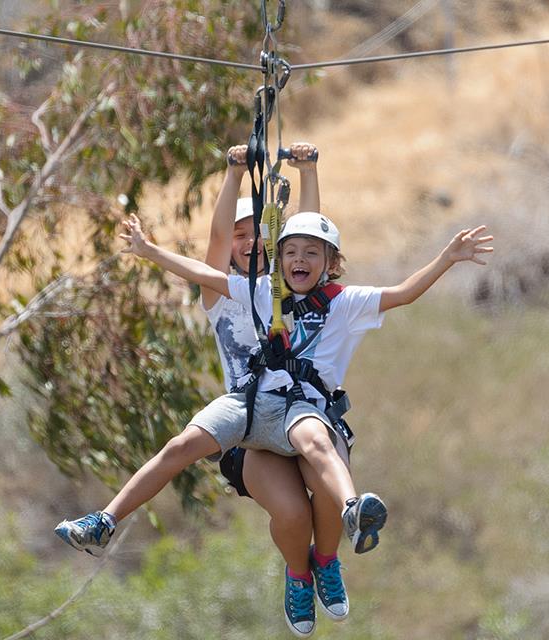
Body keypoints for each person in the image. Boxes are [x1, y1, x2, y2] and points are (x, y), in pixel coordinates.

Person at [57, 179, 493, 637]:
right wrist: (149, 251)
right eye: (291, 253)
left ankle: (348, 513)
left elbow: (403, 292)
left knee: (313, 440)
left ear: (329, 264)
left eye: (312, 254)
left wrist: (447, 258)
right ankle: (105, 520)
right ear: (277, 257)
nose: (300, 261)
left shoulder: (345, 303)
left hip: (301, 407)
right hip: (250, 406)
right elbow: (203, 273)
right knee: (183, 443)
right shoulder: (262, 291)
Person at [205, 143, 353, 635]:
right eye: (239, 236)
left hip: (301, 416)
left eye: (257, 235)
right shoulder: (220, 294)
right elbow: (216, 233)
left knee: (331, 492)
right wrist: (233, 174)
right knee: (291, 513)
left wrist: (309, 170)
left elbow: (309, 235)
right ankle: (298, 576)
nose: (247, 244)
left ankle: (326, 562)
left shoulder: (283, 290)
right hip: (254, 427)